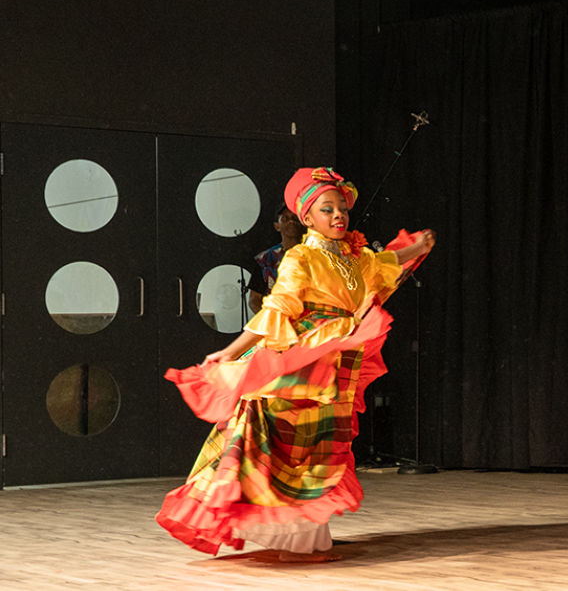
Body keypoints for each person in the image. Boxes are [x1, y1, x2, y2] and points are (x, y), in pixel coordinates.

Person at [157, 167, 436, 561]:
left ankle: (308, 538)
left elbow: (385, 264)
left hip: (335, 359)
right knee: (295, 448)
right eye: (327, 209)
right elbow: (277, 309)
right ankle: (295, 540)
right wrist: (233, 351)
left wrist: (418, 247)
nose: (338, 215)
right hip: (303, 359)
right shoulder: (300, 257)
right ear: (307, 217)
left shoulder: (353, 257)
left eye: (341, 208)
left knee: (321, 447)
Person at [248, 205, 304, 314]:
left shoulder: (314, 255)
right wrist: (270, 323)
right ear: (277, 226)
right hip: (276, 319)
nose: (291, 221)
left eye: (295, 218)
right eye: (285, 219)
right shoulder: (264, 259)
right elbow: (254, 300)